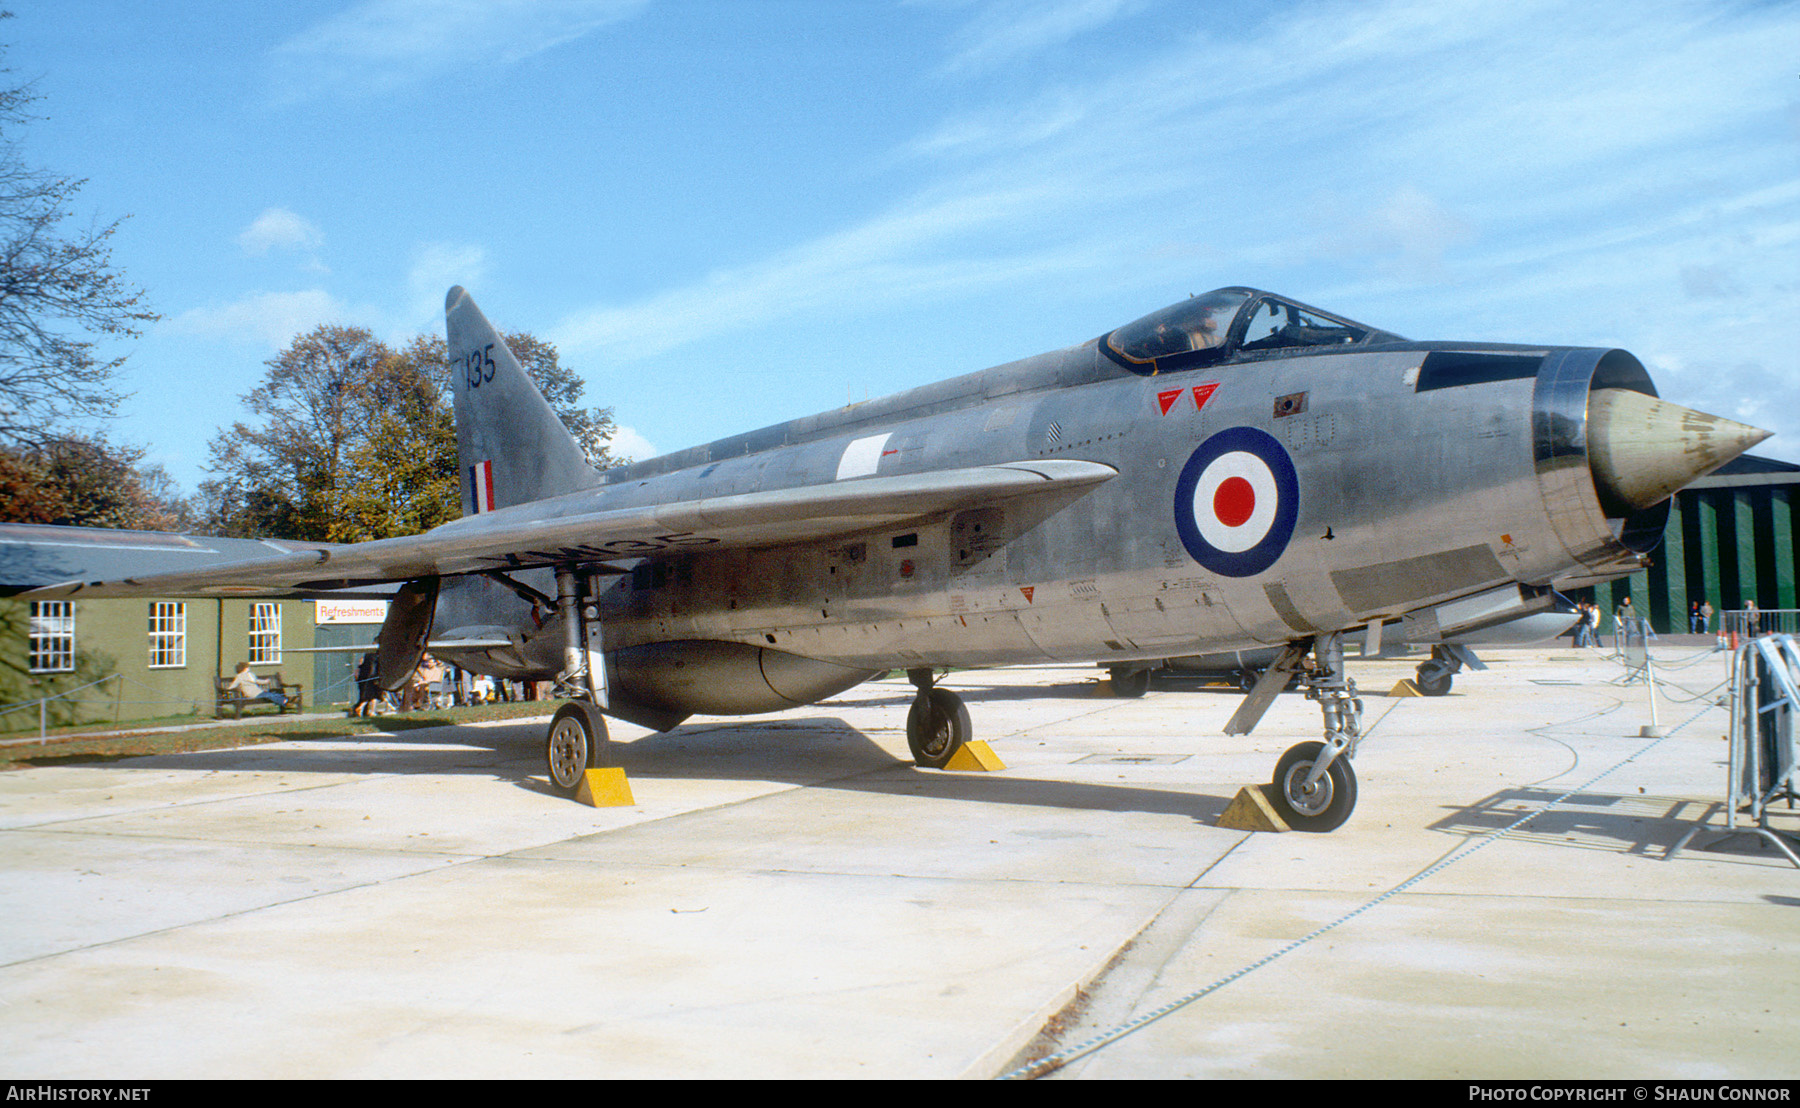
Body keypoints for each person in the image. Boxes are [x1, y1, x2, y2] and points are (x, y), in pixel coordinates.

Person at [351, 652, 382, 717]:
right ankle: (371, 711)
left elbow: (359, 667)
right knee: (374, 696)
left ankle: (360, 708)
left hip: (365, 679)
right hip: (373, 678)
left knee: (368, 697)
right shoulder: (375, 658)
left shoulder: (365, 657)